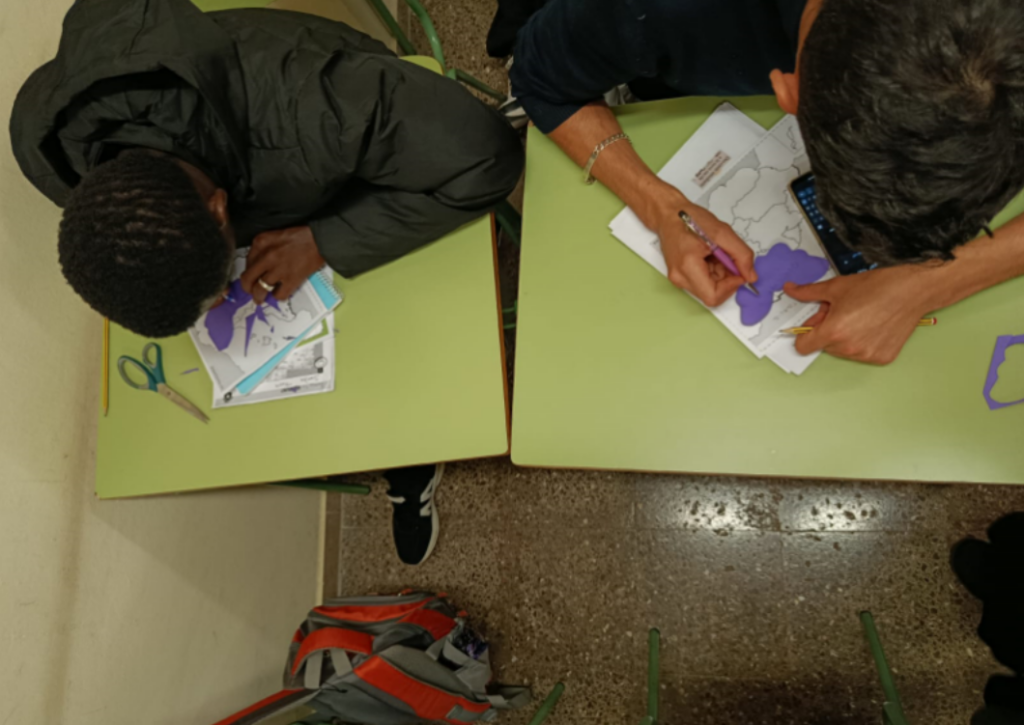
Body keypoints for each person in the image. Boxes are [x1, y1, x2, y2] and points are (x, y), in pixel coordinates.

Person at [10, 0, 524, 567]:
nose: (225, 301)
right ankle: (394, 439)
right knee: (304, 376)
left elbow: (491, 158)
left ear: (219, 210)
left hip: (352, 151)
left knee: (393, 330)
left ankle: (412, 446)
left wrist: (326, 239)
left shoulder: (324, 107)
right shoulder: (46, 144)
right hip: (252, 171)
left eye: (217, 289)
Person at [509, 0, 1024, 366]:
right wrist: (659, 204)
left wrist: (931, 284)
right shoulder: (655, 11)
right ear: (787, 93)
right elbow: (540, 81)